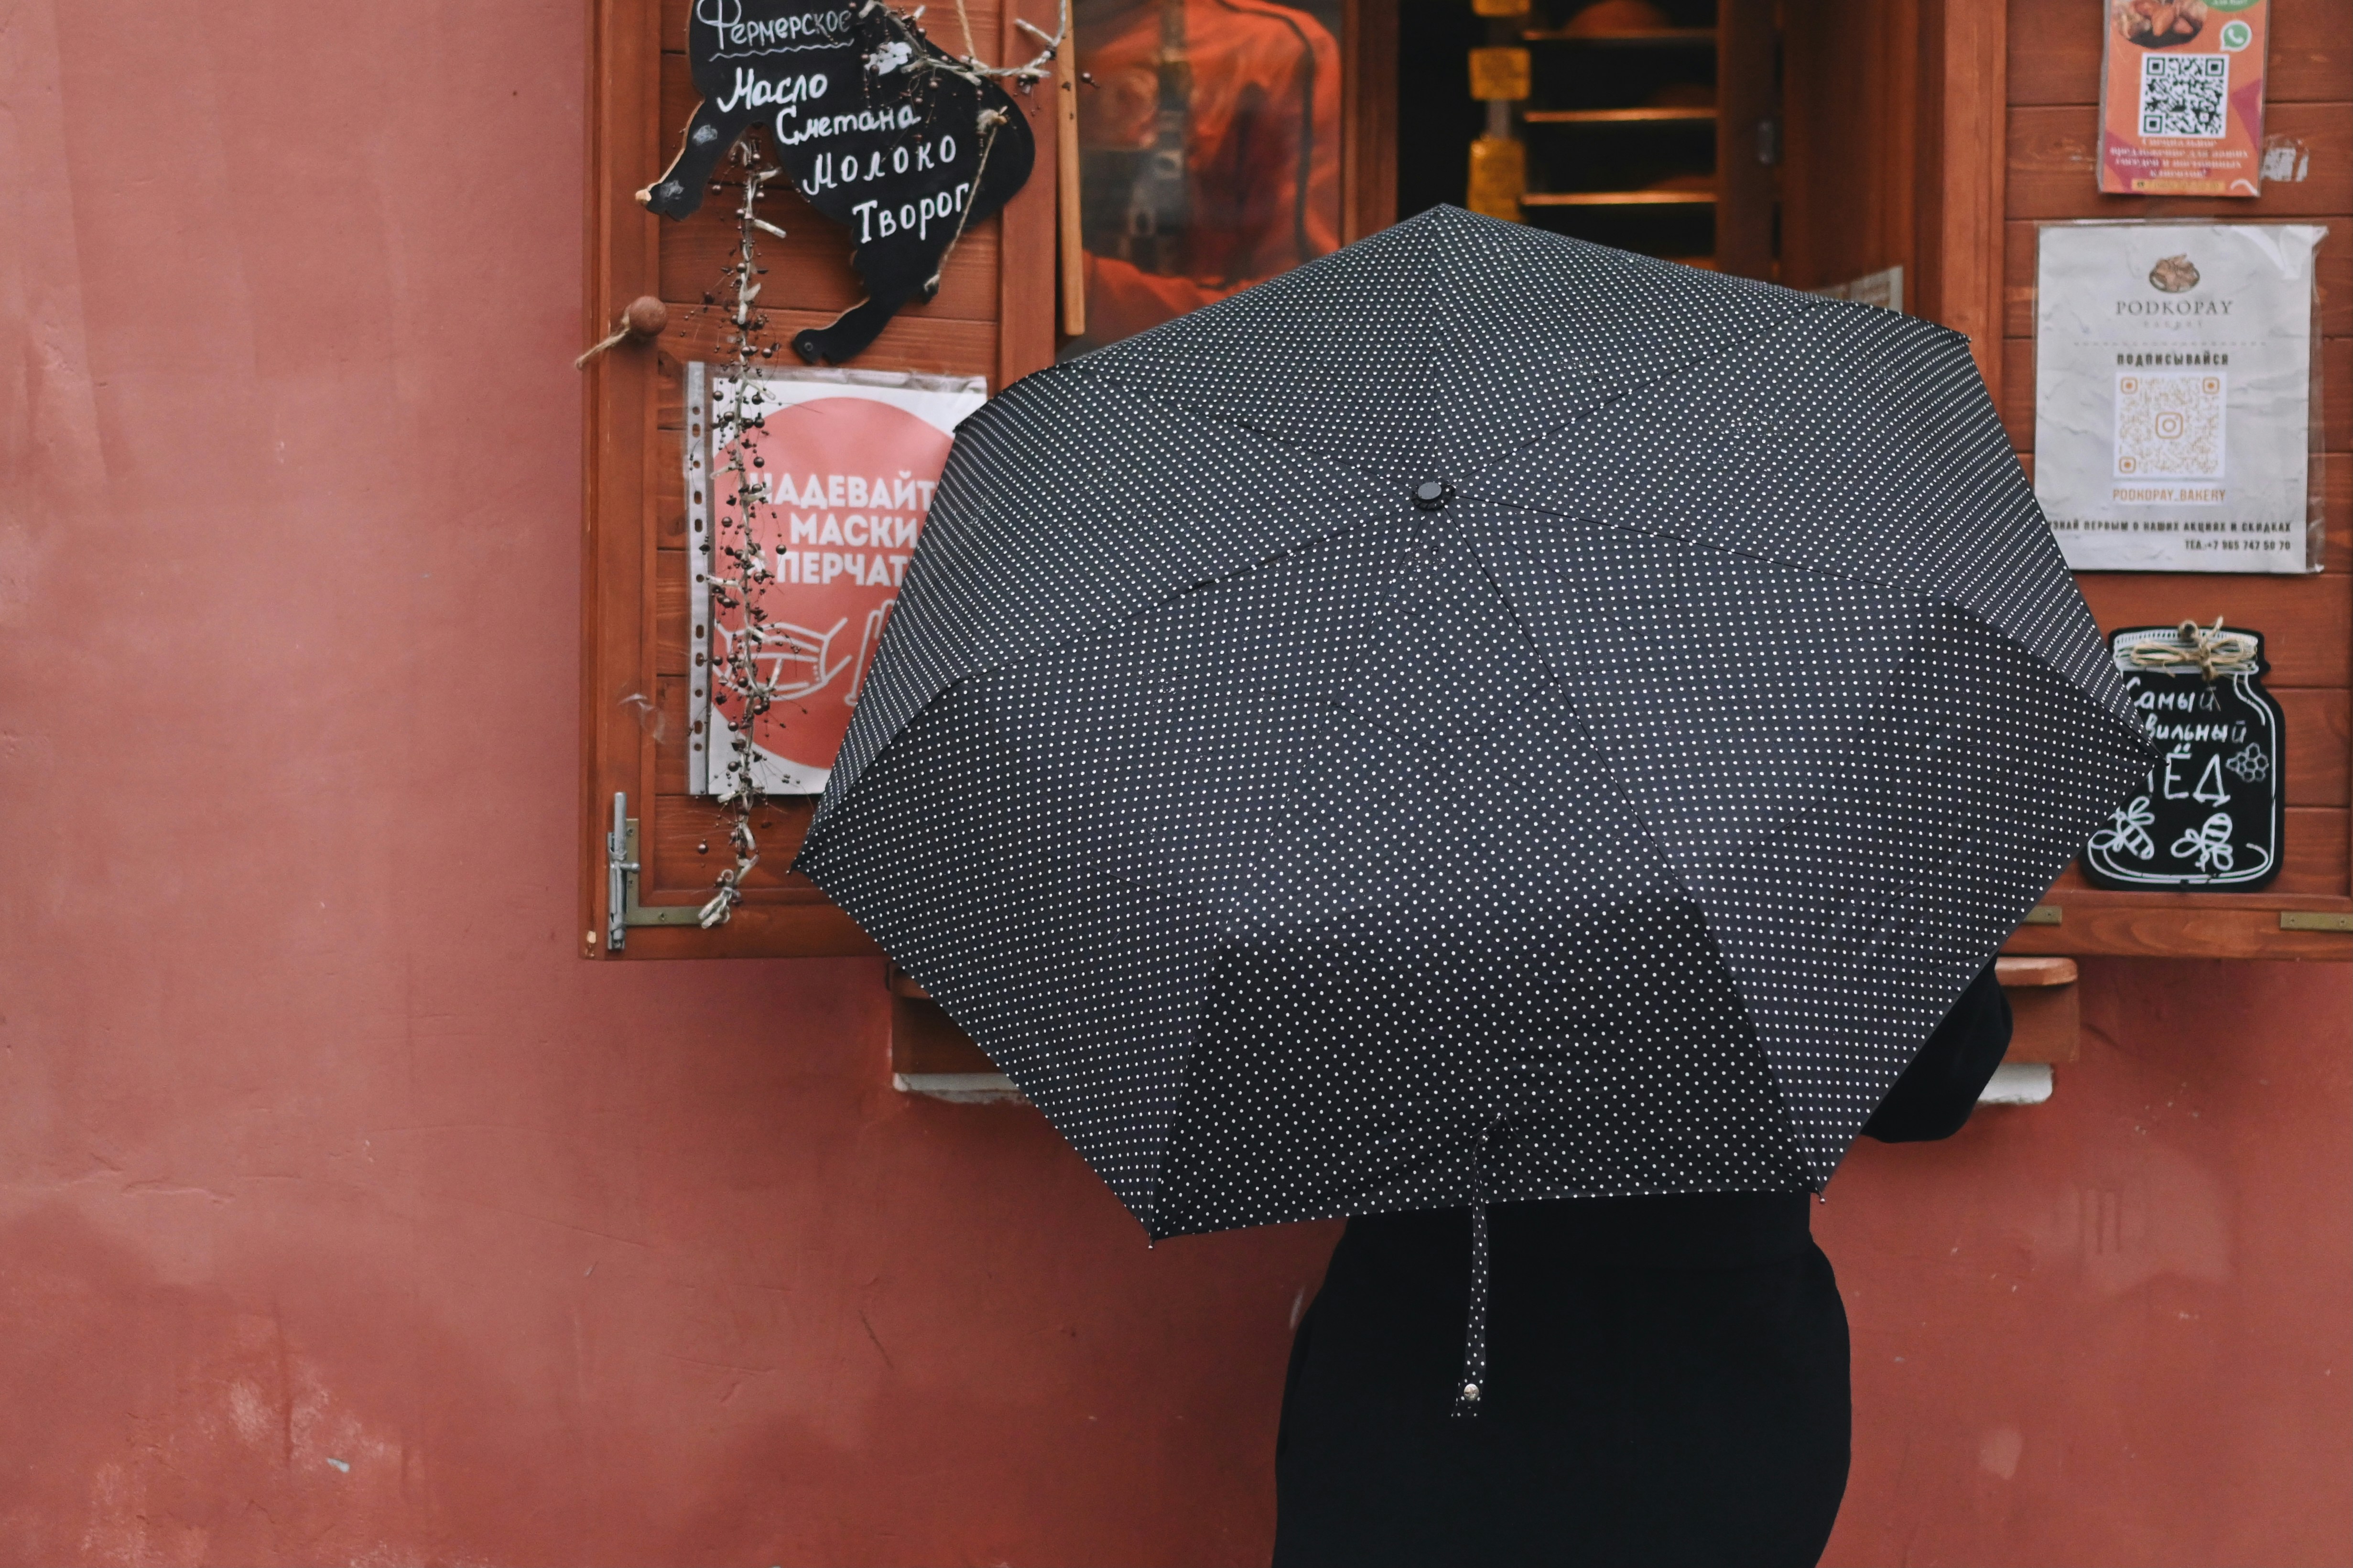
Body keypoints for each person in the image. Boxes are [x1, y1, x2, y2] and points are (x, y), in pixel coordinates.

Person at [1271, 962, 2015, 1568]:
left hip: (1428, 1355)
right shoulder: (1792, 801)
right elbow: (1935, 1087)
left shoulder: (1394, 802)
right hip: (1710, 1386)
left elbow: (1285, 1067)